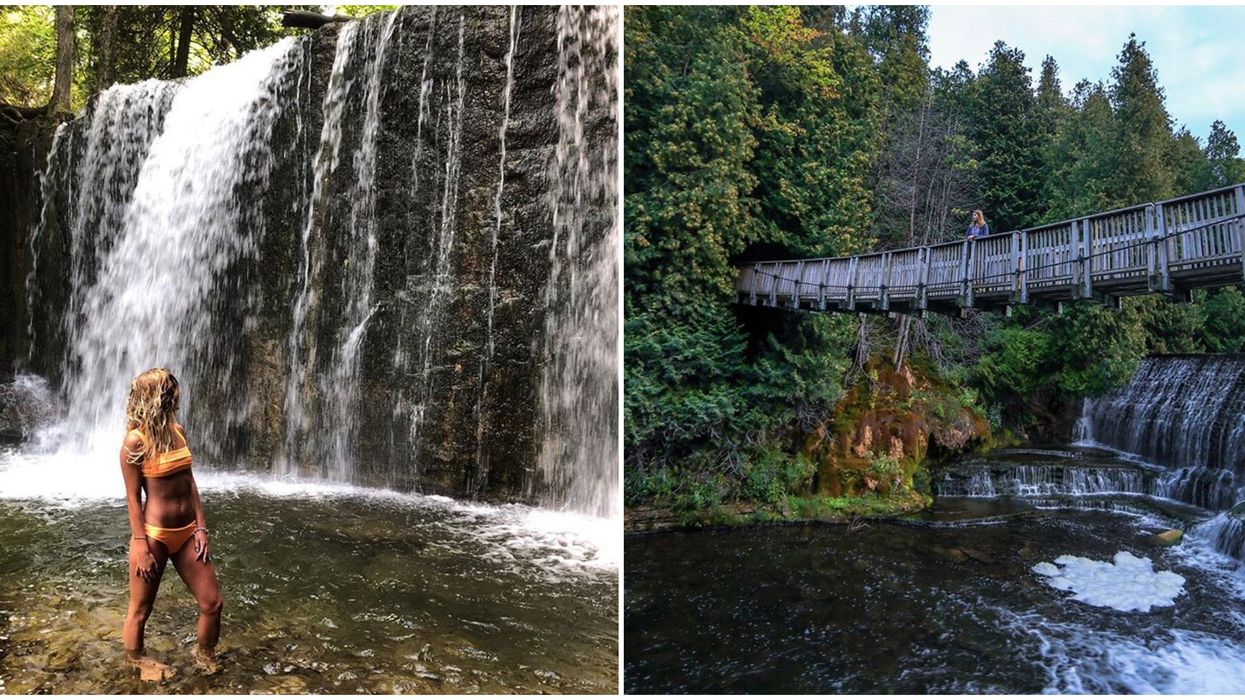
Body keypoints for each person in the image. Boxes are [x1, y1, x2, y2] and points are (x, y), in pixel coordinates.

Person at [120, 368, 222, 674]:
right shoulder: (134, 443)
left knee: (212, 604)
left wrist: (201, 527)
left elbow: (190, 483)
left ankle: (203, 654)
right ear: (155, 397)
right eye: (169, 389)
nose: (175, 394)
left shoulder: (178, 431)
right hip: (154, 534)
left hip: (188, 532)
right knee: (140, 610)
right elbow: (132, 498)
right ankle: (136, 662)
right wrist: (140, 545)